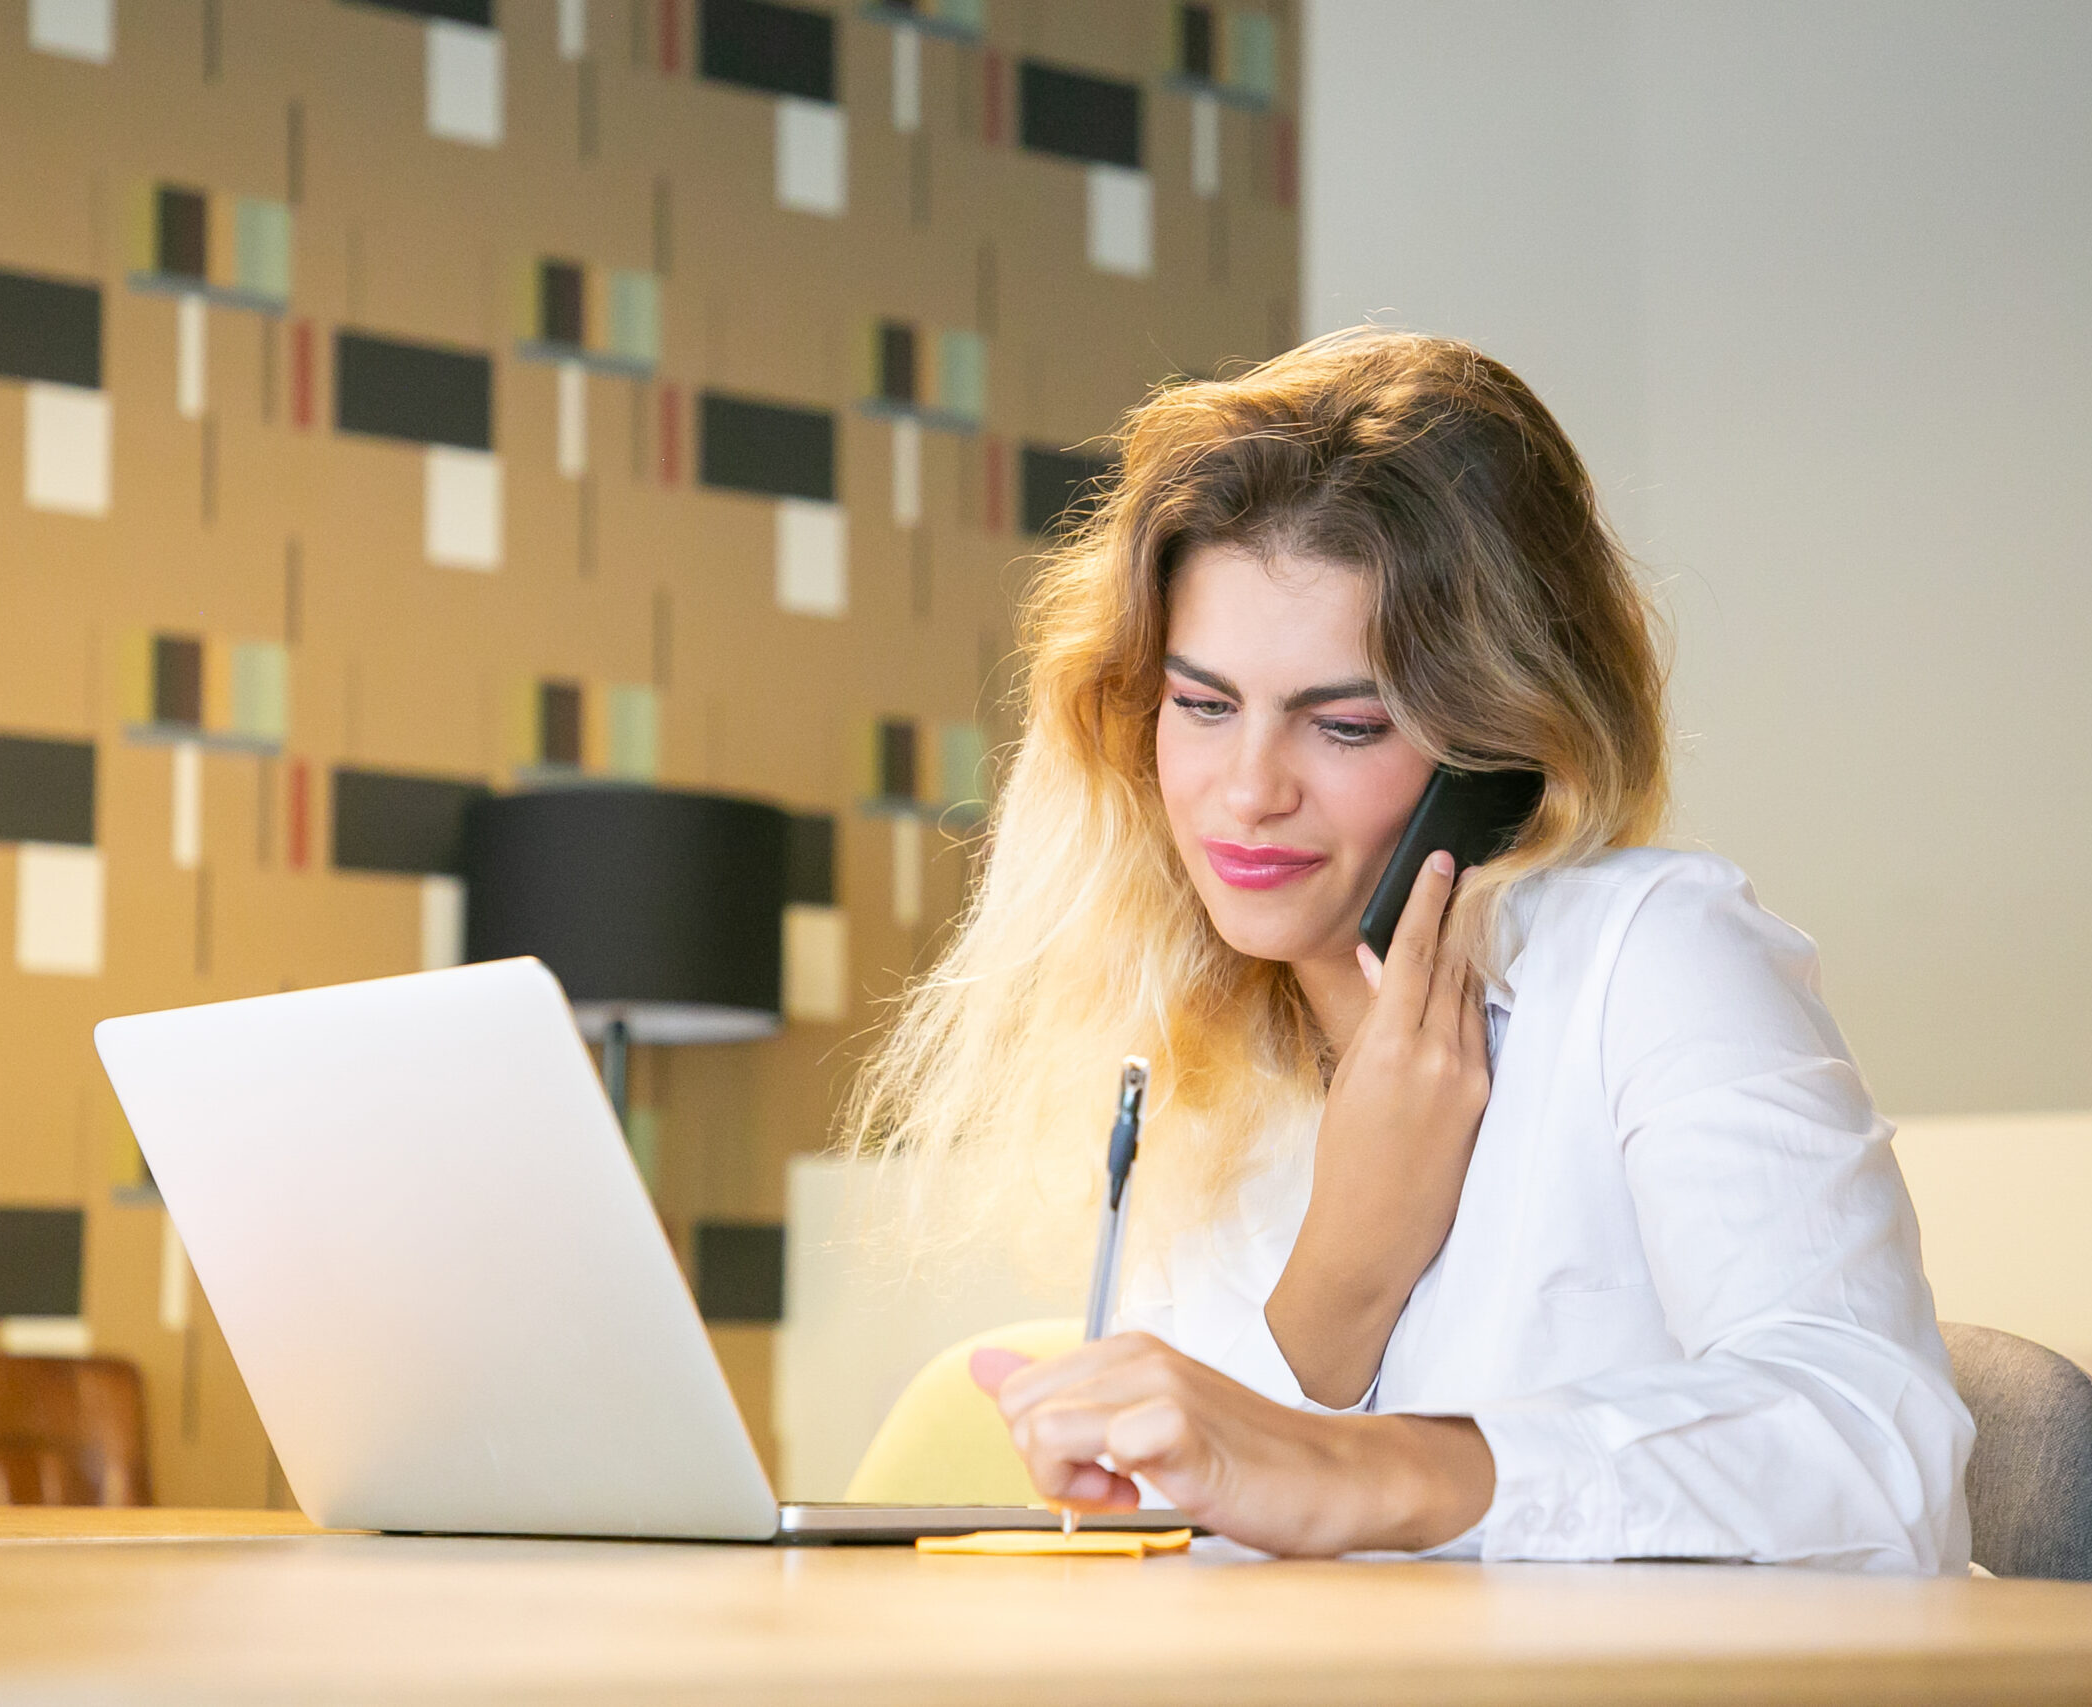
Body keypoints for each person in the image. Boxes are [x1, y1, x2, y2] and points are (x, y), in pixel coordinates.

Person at [842, 328, 1972, 1570]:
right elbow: (1217, 1552)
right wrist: (1343, 1269)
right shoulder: (1201, 1051)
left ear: (1497, 746)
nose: (1245, 792)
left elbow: (1877, 1453)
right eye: (1203, 706)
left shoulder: (1648, 958)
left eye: (1343, 724)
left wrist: (1370, 1469)